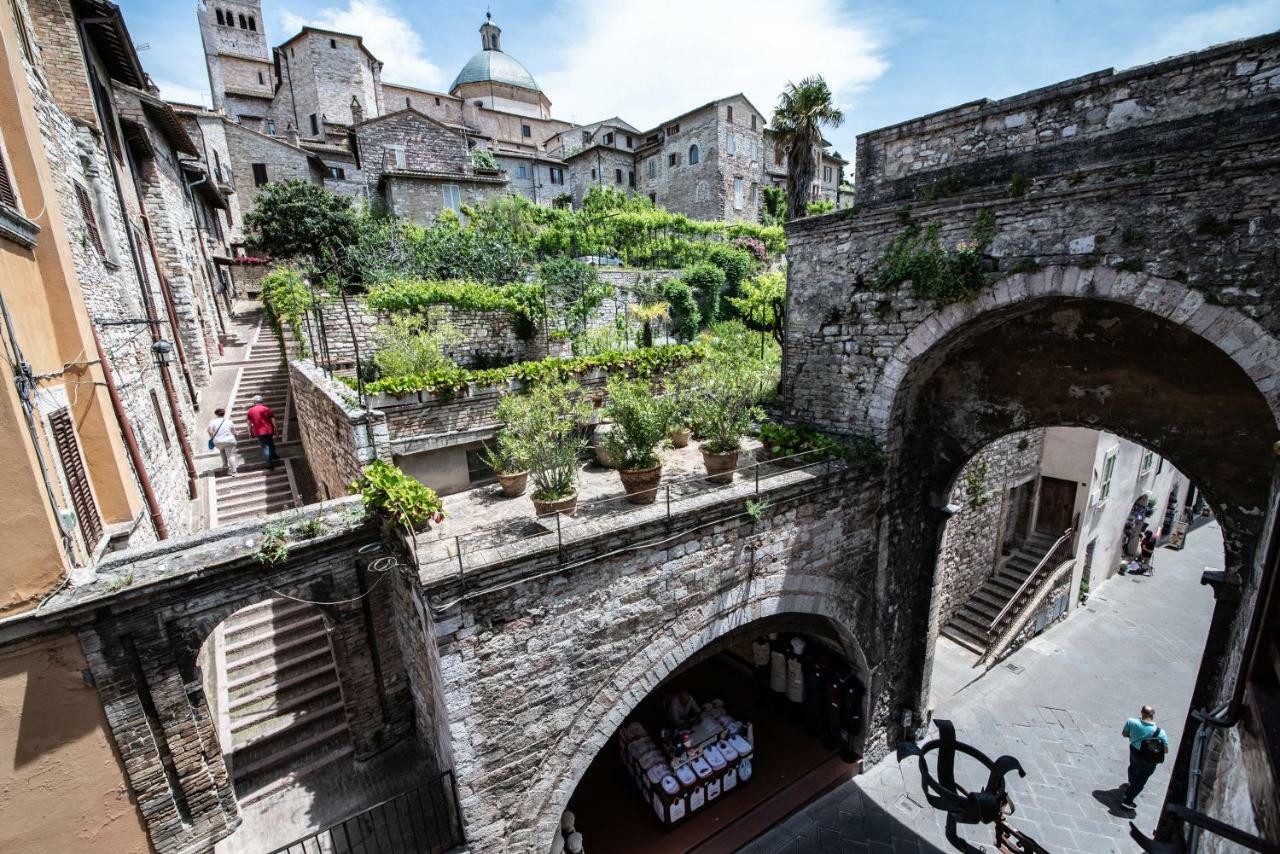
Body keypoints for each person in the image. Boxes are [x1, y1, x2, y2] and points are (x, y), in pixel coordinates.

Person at [1120, 705, 1169, 809]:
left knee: (1133, 767)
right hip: (1149, 758)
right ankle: (1127, 801)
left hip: (1134, 750)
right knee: (1142, 778)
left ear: (1142, 713)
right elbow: (1166, 750)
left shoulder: (1131, 722)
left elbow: (1124, 734)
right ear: (1153, 715)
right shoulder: (1161, 733)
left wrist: (1135, 737)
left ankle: (1131, 785)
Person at [245, 394, 278, 470]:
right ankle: (274, 455)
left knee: (265, 447)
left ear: (254, 402)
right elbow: (273, 420)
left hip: (259, 432)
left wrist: (249, 432)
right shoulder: (267, 409)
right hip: (269, 430)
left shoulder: (250, 410)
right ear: (262, 401)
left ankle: (269, 465)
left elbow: (248, 423)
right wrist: (276, 429)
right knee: (270, 442)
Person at [207, 408, 238, 475]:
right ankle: (233, 471)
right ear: (224, 414)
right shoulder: (229, 421)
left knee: (222, 451)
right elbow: (233, 431)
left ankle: (225, 466)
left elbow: (210, 431)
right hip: (229, 440)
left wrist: (213, 438)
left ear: (216, 414)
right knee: (231, 455)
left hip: (218, 441)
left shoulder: (212, 422)